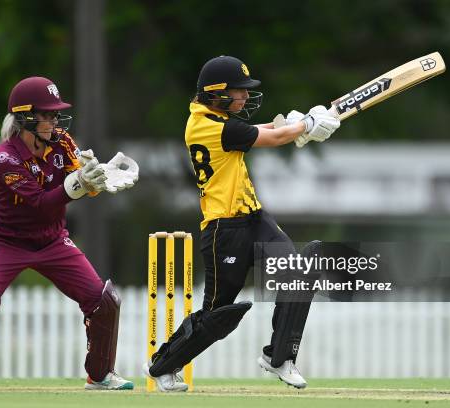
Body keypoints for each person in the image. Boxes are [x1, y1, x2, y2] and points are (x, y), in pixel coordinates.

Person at [0, 76, 139, 391]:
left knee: (104, 299)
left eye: (55, 114)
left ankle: (100, 375)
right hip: (6, 241)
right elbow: (40, 203)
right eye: (47, 115)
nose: (54, 121)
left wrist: (97, 177)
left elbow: (83, 182)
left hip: (52, 239)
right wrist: (79, 185)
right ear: (25, 118)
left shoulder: (63, 143)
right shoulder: (5, 157)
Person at [143, 56, 340, 391]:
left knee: (297, 273)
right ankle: (163, 366)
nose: (246, 98)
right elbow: (271, 138)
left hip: (254, 218)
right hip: (224, 231)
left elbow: (262, 131)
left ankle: (279, 358)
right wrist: (303, 126)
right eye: (240, 91)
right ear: (218, 93)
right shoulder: (211, 126)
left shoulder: (213, 120)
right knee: (217, 316)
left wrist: (297, 126)